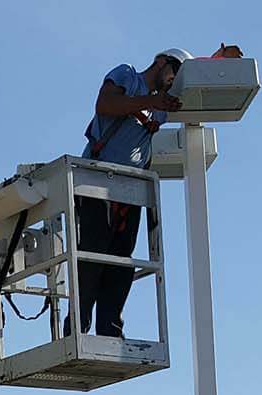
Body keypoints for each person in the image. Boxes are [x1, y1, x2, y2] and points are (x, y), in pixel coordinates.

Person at [75, 48, 189, 337]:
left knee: (121, 260)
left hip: (129, 190)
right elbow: (105, 105)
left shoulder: (161, 106)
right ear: (161, 62)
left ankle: (110, 327)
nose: (173, 81)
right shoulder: (127, 75)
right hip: (97, 180)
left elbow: (204, 82)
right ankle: (78, 325)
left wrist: (220, 59)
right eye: (174, 71)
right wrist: (150, 101)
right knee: (93, 254)